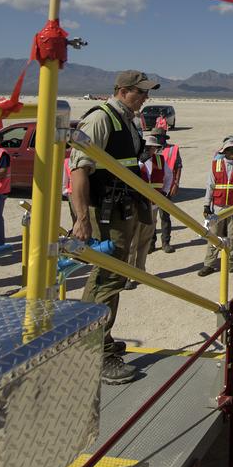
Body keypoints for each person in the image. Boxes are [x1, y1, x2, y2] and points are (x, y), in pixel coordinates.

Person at [69, 69, 157, 384]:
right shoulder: (101, 119)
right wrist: (81, 218)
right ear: (122, 90)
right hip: (103, 212)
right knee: (106, 278)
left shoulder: (126, 120)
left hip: (121, 208)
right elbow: (79, 171)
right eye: (141, 91)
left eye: (147, 92)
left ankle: (96, 338)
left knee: (113, 276)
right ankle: (95, 352)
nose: (146, 97)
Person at [199, 137, 233, 276]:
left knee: (232, 236)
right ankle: (209, 264)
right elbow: (210, 186)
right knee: (214, 235)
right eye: (229, 150)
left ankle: (230, 261)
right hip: (218, 207)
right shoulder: (215, 165)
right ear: (224, 151)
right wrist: (206, 205)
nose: (232, 152)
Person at [129, 132, 170, 287]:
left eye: (152, 148)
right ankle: (128, 274)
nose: (150, 150)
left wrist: (164, 194)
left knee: (145, 240)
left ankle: (140, 271)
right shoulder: (134, 161)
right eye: (147, 147)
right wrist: (140, 163)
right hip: (136, 206)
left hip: (152, 206)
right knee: (132, 241)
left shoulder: (160, 160)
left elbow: (168, 177)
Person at [156, 131, 184, 252]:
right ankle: (151, 243)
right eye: (156, 137)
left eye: (159, 137)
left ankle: (165, 242)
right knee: (150, 218)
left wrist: (176, 183)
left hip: (166, 187)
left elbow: (178, 166)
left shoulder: (172, 149)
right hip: (152, 186)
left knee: (165, 216)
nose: (157, 139)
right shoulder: (149, 147)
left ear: (164, 138)